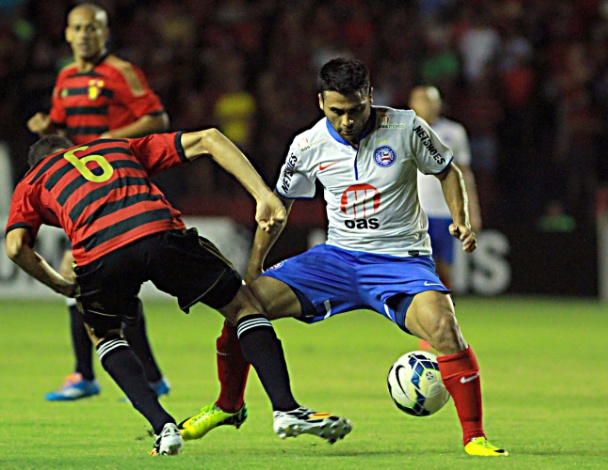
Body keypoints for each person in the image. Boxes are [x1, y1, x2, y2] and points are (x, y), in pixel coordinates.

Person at [179, 58, 508, 457]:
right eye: (337, 111)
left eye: (355, 110)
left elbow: (448, 171)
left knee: (444, 329)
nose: (347, 121)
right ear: (320, 102)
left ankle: (474, 437)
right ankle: (228, 406)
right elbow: (276, 209)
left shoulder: (405, 127)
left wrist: (461, 220)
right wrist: (254, 268)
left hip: (400, 260)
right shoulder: (307, 145)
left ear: (370, 96)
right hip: (337, 260)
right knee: (241, 307)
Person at [5, 129, 352, 455]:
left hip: (100, 256)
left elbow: (16, 247)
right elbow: (209, 139)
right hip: (159, 233)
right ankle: (286, 409)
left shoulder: (32, 182)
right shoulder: (114, 147)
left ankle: (163, 428)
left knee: (104, 335)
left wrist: (62, 285)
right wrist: (262, 195)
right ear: (73, 148)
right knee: (244, 306)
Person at [27, 3, 171, 401]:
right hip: (84, 189)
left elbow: (157, 119)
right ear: (67, 34)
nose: (85, 34)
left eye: (93, 28)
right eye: (78, 28)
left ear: (105, 33)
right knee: (108, 284)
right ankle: (150, 377)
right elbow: (61, 126)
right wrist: (46, 126)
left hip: (115, 184)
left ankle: (85, 374)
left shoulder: (120, 72)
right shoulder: (66, 77)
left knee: (78, 275)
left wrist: (106, 143)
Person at [409, 85, 482, 289]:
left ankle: (444, 306)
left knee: (444, 266)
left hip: (445, 211)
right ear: (412, 104)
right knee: (417, 265)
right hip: (415, 212)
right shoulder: (404, 131)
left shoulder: (454, 132)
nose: (428, 104)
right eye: (422, 99)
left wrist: (471, 212)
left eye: (432, 100)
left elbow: (464, 173)